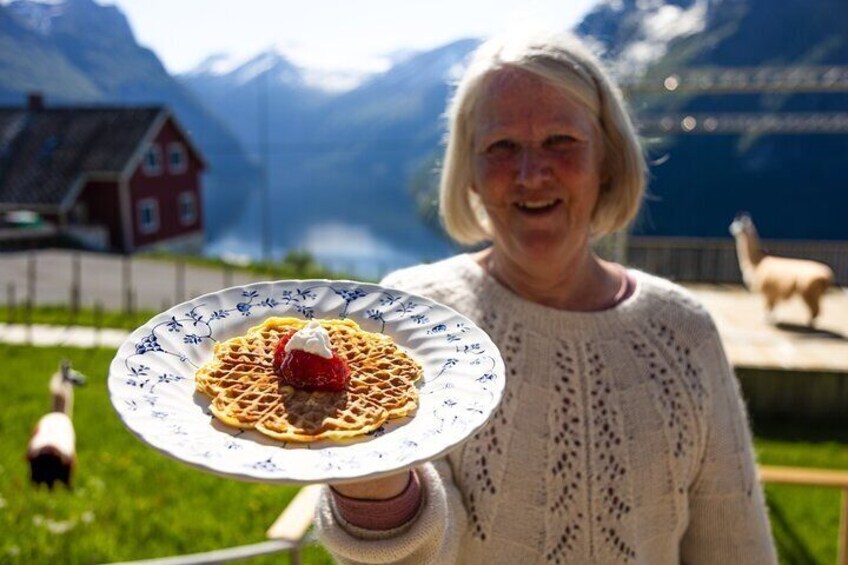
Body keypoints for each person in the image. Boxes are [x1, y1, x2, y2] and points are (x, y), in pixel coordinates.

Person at [315, 29, 778, 564]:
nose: (531, 174)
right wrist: (373, 486)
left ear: (606, 159)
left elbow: (736, 548)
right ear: (469, 174)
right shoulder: (411, 319)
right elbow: (417, 552)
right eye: (501, 147)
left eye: (561, 140)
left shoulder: (684, 332)